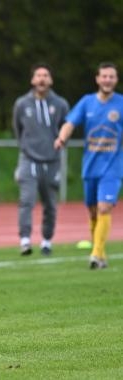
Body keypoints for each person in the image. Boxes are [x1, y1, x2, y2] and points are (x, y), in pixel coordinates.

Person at [54, 61, 123, 269]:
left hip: (113, 167)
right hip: (90, 166)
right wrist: (62, 138)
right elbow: (70, 123)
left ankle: (95, 254)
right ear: (97, 79)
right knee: (93, 212)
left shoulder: (121, 103)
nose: (107, 80)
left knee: (104, 208)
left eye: (111, 76)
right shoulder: (87, 102)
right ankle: (100, 255)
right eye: (104, 76)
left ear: (116, 80)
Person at [13, 63, 69, 256]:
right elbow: (18, 131)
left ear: (51, 80)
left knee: (50, 204)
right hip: (29, 159)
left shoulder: (60, 104)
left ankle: (46, 240)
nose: (42, 79)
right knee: (26, 200)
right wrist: (25, 150)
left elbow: (66, 128)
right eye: (38, 75)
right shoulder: (22, 103)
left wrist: (60, 142)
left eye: (45, 75)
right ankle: (25, 240)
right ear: (32, 80)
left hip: (52, 161)